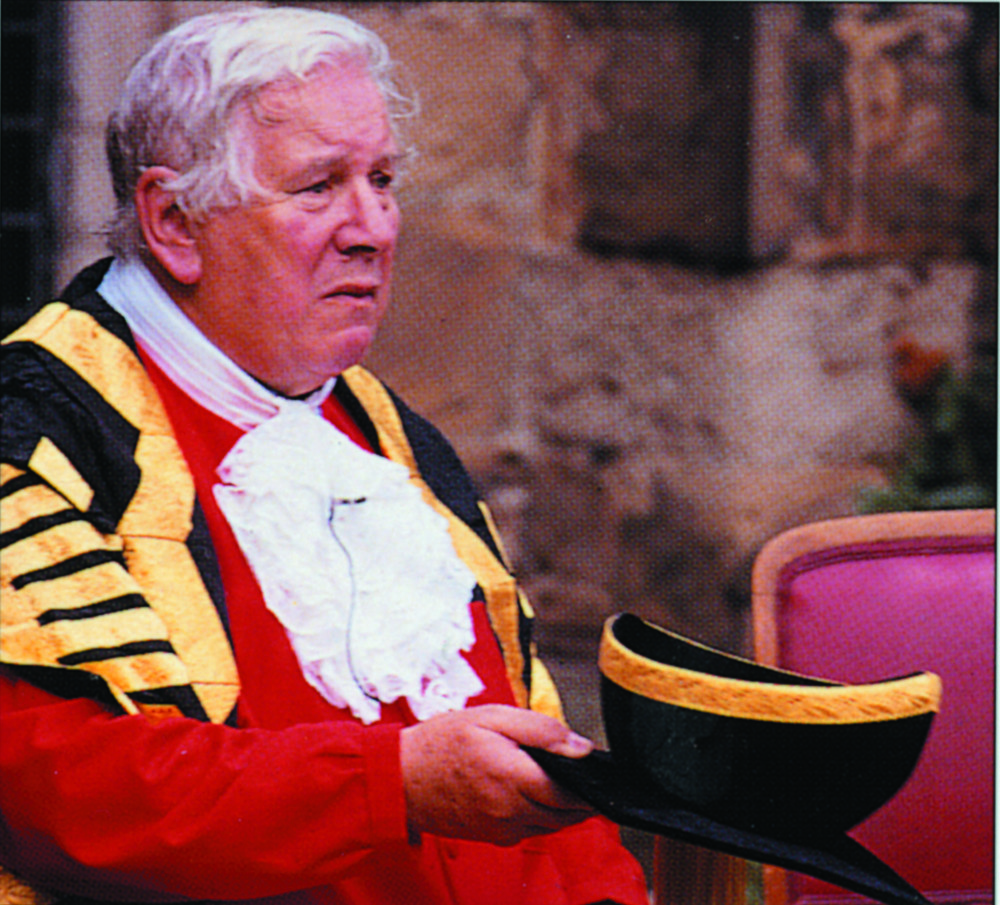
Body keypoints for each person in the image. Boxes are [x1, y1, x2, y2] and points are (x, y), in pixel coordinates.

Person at [0, 7, 649, 905]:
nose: (373, 227)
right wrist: (393, 782)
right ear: (174, 221)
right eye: (319, 188)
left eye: (382, 180)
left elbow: (543, 765)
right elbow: (49, 785)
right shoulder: (38, 430)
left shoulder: (395, 441)